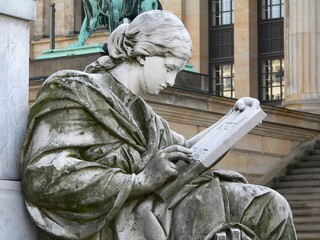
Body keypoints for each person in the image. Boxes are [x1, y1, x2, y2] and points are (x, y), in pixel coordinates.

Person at [21, 10, 297, 240]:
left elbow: (188, 152)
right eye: (169, 68)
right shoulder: (74, 90)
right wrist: (138, 181)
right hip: (115, 217)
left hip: (159, 204)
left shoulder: (145, 116)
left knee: (269, 206)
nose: (172, 81)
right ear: (142, 54)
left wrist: (233, 119)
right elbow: (45, 176)